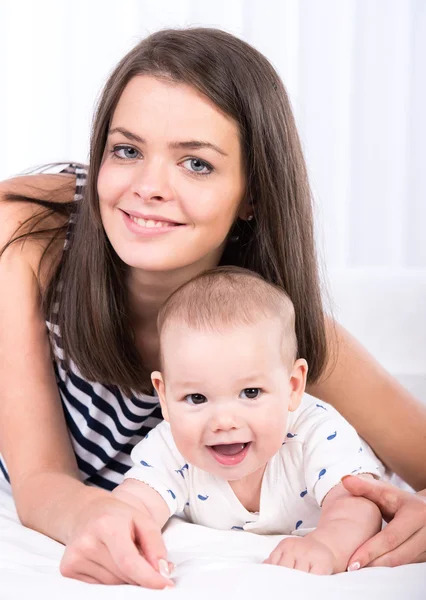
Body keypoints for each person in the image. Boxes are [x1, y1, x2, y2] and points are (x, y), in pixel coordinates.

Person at [0, 27, 425, 588]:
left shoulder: (271, 328)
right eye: (127, 150)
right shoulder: (27, 232)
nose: (149, 186)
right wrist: (98, 518)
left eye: (196, 163)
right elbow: (39, 479)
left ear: (251, 194)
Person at [110, 266, 383, 584]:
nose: (224, 421)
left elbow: (359, 505)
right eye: (197, 398)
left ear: (293, 386)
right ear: (165, 396)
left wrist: (326, 545)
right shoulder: (171, 445)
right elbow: (135, 501)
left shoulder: (318, 434)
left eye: (250, 393)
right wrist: (124, 538)